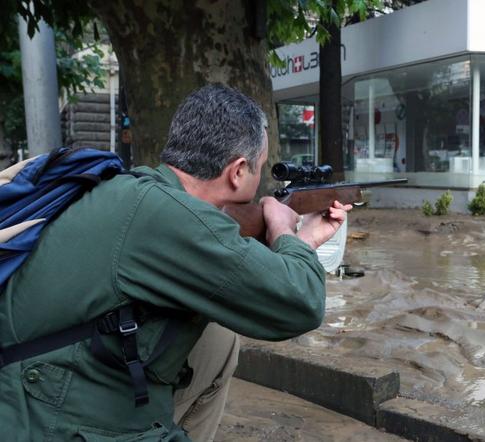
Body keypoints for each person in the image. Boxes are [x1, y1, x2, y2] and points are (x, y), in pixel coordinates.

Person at [0, 84, 351, 441]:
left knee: (217, 340)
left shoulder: (136, 190)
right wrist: (287, 231)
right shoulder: (169, 218)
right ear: (238, 171)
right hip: (40, 413)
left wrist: (297, 236)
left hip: (40, 378)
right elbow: (300, 303)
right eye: (259, 168)